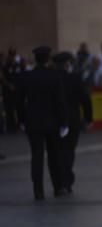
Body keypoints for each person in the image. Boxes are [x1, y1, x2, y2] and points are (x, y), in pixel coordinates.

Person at [16, 46, 68, 200]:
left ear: (36, 59)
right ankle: (58, 187)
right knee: (54, 156)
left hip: (33, 123)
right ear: (47, 59)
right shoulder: (55, 76)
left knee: (36, 157)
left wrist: (22, 120)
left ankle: (38, 191)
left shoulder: (27, 77)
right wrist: (64, 122)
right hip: (52, 123)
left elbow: (20, 102)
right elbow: (60, 102)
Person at [54, 52, 93, 193]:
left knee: (57, 152)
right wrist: (88, 118)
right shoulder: (75, 79)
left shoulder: (52, 78)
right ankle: (66, 181)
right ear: (67, 64)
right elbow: (85, 99)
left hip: (54, 121)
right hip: (72, 120)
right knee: (69, 151)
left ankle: (58, 182)